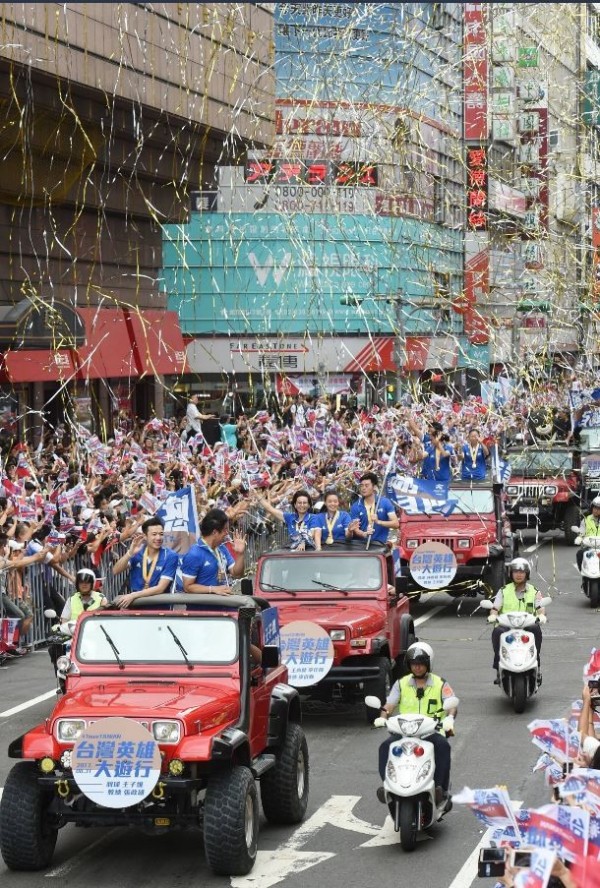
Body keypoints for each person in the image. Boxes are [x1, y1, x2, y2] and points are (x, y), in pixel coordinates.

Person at [375, 642, 458, 805]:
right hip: (404, 731)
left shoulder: (441, 683)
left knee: (443, 746)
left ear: (428, 664)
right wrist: (382, 717)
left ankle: (440, 789)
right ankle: (388, 787)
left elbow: (452, 704)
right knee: (385, 747)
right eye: (414, 664)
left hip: (431, 732)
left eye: (420, 664)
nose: (417, 668)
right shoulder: (401, 683)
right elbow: (390, 704)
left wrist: (449, 718)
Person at [487, 557, 547, 683]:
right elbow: (495, 608)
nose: (519, 575)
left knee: (536, 629)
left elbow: (540, 607)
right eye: (515, 572)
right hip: (507, 626)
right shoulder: (503, 591)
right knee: (497, 631)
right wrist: (492, 615)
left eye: (522, 572)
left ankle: (537, 664)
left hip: (527, 626)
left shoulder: (534, 592)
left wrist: (542, 616)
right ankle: (499, 666)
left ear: (527, 574)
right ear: (511, 574)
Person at [112, 516, 179, 608]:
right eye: (154, 534)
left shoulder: (171, 556)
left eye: (161, 534)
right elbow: (116, 570)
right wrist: (130, 553)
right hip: (136, 607)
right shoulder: (138, 552)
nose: (158, 537)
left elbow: (160, 588)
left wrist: (133, 595)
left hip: (159, 608)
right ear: (145, 536)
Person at [181, 508, 246, 595]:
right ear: (214, 532)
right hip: (204, 607)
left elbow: (237, 573)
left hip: (225, 605)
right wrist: (212, 589)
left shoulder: (222, 548)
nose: (227, 533)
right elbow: (187, 587)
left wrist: (240, 554)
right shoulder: (194, 554)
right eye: (225, 530)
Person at [348, 472, 398, 545]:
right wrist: (364, 534)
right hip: (360, 546)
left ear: (374, 487)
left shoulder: (385, 502)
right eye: (361, 486)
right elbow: (355, 529)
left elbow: (395, 524)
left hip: (380, 545)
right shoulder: (356, 506)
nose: (363, 488)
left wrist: (378, 522)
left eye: (367, 485)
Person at [576, 495, 600, 572]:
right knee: (579, 554)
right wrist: (579, 537)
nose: (596, 510)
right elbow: (582, 531)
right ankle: (583, 575)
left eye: (598, 508)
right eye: (594, 508)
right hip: (589, 547)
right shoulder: (586, 520)